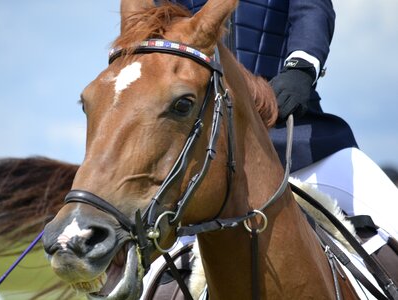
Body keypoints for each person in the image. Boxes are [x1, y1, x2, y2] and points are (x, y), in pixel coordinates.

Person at [142, 0, 398, 298]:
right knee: (148, 279)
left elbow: (311, 9)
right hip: (204, 160)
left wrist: (301, 68)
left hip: (302, 139)